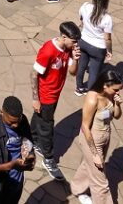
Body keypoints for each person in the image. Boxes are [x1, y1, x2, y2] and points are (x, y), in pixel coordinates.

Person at [30, 21, 81, 181]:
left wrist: (76, 58)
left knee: (39, 117)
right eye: (74, 41)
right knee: (47, 127)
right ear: (64, 37)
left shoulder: (68, 49)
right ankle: (49, 159)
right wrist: (35, 99)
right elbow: (33, 74)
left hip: (55, 94)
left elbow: (73, 73)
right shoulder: (48, 51)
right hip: (46, 96)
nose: (76, 44)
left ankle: (33, 140)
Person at [69, 69, 123, 204]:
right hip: (92, 140)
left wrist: (117, 104)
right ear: (105, 85)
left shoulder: (110, 95)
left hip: (105, 135)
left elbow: (116, 116)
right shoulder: (92, 99)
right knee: (101, 182)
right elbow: (85, 127)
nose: (117, 92)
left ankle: (77, 188)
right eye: (115, 89)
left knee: (89, 166)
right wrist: (94, 154)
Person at [0, 95, 34, 204]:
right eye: (11, 122)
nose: (16, 125)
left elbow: (28, 140)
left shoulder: (22, 120)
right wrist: (11, 165)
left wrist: (29, 154)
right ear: (1, 112)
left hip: (17, 180)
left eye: (18, 121)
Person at [75, 0, 113, 96]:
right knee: (94, 72)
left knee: (81, 66)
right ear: (106, 1)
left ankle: (79, 88)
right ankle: (90, 94)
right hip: (98, 48)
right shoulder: (107, 18)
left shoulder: (85, 6)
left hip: (83, 41)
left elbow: (81, 20)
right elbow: (107, 38)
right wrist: (109, 50)